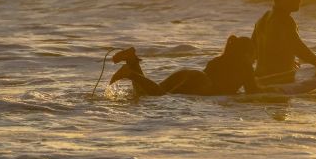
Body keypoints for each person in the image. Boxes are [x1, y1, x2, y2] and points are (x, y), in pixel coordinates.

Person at [109, 35, 261, 96]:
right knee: (157, 96)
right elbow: (253, 91)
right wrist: (277, 91)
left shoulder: (220, 60)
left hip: (190, 74)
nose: (255, 59)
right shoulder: (245, 66)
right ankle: (130, 73)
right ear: (246, 54)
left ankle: (132, 60)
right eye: (254, 54)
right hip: (201, 82)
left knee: (149, 93)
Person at [252, 0, 316, 83]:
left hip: (259, 78)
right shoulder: (284, 20)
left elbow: (254, 52)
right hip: (278, 80)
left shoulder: (263, 19)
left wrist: (284, 59)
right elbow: (297, 46)